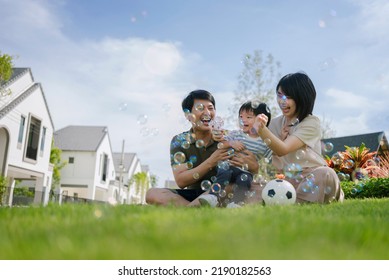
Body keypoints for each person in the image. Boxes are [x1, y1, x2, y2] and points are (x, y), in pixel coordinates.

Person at [145, 89, 260, 206]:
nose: (207, 112)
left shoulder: (228, 138)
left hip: (222, 191)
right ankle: (199, 207)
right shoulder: (180, 140)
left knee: (252, 189)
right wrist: (212, 161)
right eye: (200, 108)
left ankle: (190, 210)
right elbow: (181, 181)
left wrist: (254, 167)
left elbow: (249, 167)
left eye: (210, 108)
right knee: (152, 193)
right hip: (193, 193)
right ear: (188, 115)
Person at [253, 72, 344, 203]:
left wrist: (261, 129)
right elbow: (263, 153)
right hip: (282, 179)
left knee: (326, 174)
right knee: (257, 182)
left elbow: (283, 149)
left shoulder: (311, 122)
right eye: (280, 95)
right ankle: (288, 201)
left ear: (302, 97)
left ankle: (291, 203)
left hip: (309, 177)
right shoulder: (273, 124)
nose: (282, 101)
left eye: (288, 97)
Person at [198, 101, 272, 207]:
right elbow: (221, 145)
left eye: (248, 117)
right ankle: (213, 197)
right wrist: (231, 143)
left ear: (261, 120)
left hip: (245, 172)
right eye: (241, 117)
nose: (243, 120)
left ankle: (236, 203)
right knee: (224, 172)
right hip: (229, 166)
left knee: (244, 181)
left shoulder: (264, 142)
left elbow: (272, 158)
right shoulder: (236, 134)